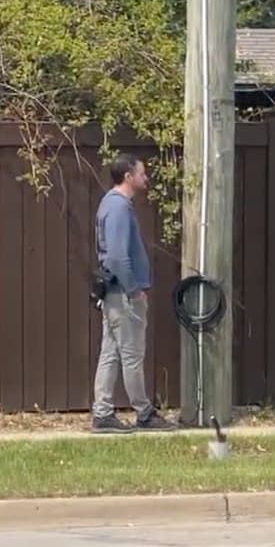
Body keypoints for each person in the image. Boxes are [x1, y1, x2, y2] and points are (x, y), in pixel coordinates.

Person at [91, 154, 174, 433]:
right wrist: (134, 291)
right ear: (128, 176)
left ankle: (103, 414)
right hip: (123, 296)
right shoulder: (117, 208)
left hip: (114, 294)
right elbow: (116, 257)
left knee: (111, 353)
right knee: (131, 355)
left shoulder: (113, 204)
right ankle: (144, 413)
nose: (145, 178)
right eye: (141, 173)